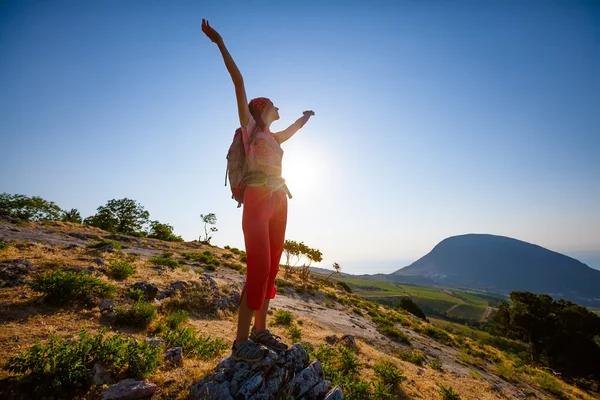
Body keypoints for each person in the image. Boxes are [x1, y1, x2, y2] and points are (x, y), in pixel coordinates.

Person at [202, 18, 315, 362]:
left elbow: (291, 131)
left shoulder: (273, 136)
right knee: (259, 268)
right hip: (256, 198)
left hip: (280, 198)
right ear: (263, 109)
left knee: (272, 270)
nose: (279, 109)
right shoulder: (250, 128)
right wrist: (220, 43)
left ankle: (260, 331)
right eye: (275, 106)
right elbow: (238, 81)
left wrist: (304, 119)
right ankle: (240, 344)